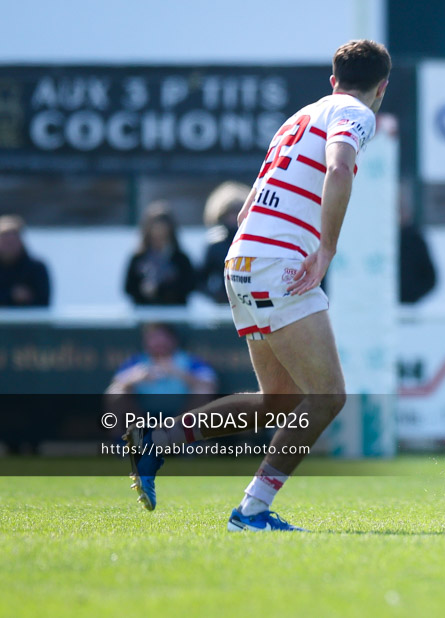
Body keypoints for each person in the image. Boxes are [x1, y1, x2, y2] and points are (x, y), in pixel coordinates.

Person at [122, 39, 391, 532]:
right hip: (278, 264)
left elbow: (248, 206)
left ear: (332, 79)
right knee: (328, 397)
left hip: (243, 259)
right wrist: (326, 248)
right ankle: (252, 511)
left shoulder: (300, 115)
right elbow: (337, 167)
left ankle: (160, 442)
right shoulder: (356, 111)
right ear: (381, 88)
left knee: (279, 403)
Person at [104, 322, 217, 436]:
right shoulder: (136, 362)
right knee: (116, 392)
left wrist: (180, 374)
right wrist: (136, 378)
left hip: (181, 414)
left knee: (202, 391)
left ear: (173, 340)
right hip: (142, 414)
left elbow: (209, 383)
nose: (158, 343)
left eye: (162, 338)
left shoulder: (189, 361)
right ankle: (130, 443)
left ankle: (189, 443)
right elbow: (117, 383)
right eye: (153, 338)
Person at [124, 201, 197, 305]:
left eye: (164, 234)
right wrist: (144, 291)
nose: (159, 238)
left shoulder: (181, 259)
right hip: (145, 316)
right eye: (156, 234)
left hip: (175, 316)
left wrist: (162, 290)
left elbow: (190, 286)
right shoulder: (138, 258)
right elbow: (128, 288)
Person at [200, 181, 253, 304]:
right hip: (223, 309)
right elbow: (200, 280)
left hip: (250, 305)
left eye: (238, 211)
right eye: (230, 212)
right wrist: (215, 295)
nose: (234, 217)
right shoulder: (215, 245)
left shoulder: (253, 244)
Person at [0, 214, 50, 307]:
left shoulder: (36, 268)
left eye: (13, 238)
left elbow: (44, 302)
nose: (9, 243)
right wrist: (11, 295)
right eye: (5, 238)